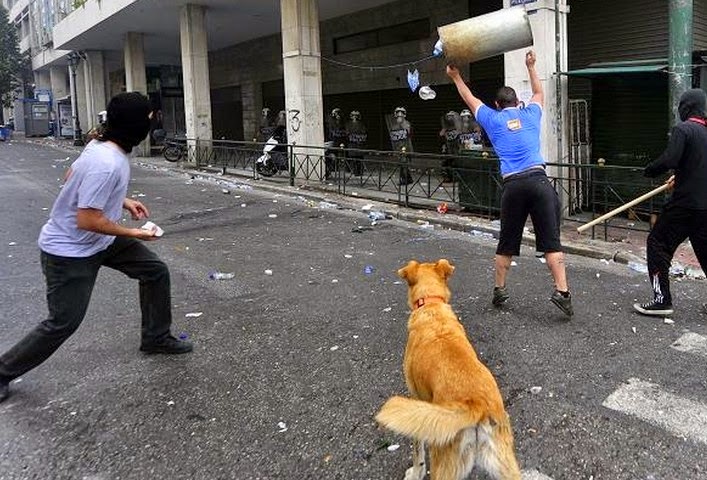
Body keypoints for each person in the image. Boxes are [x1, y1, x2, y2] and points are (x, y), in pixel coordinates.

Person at [0, 92, 192, 404]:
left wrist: (123, 200)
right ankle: (3, 370)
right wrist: (133, 233)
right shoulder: (107, 163)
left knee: (155, 271)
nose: (151, 122)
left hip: (99, 241)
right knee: (62, 322)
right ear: (135, 125)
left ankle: (156, 337)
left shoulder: (100, 146)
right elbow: (87, 219)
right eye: (147, 118)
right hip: (69, 251)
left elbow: (72, 177)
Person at [447, 50, 573, 317]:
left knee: (507, 243)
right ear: (518, 101)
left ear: (497, 104)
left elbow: (470, 99)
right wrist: (531, 66)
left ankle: (500, 290)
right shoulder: (530, 114)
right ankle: (563, 292)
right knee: (551, 242)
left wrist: (456, 76)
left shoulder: (492, 119)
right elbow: (540, 93)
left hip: (513, 187)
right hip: (539, 182)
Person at [634, 88, 707, 316]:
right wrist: (683, 174)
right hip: (704, 208)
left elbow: (671, 158)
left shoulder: (683, 130)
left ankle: (662, 300)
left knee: (657, 244)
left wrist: (649, 170)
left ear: (686, 108)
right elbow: (695, 164)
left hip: (683, 205)